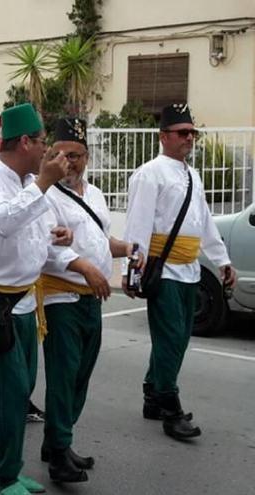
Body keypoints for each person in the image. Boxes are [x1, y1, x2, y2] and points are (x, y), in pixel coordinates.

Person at [0, 103, 79, 494]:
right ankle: (5, 475)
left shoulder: (29, 181)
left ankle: (5, 457)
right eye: (43, 141)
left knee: (22, 388)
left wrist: (61, 239)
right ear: (25, 141)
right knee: (8, 395)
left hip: (28, 303)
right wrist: (43, 184)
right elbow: (3, 222)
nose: (48, 150)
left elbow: (41, 237)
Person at [122, 103, 235, 440]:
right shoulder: (149, 173)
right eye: (182, 133)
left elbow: (203, 224)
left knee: (179, 338)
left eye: (192, 133)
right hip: (162, 269)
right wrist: (133, 269)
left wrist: (222, 260)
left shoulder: (192, 175)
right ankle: (170, 409)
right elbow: (138, 225)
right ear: (163, 137)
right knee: (171, 338)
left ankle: (152, 394)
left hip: (189, 268)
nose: (189, 138)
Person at [39, 117, 135, 482]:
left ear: (87, 157)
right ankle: (59, 453)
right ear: (51, 156)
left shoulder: (94, 194)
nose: (71, 163)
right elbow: (45, 246)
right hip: (61, 296)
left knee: (82, 373)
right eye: (63, 155)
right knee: (63, 375)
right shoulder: (46, 195)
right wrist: (85, 268)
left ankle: (57, 440)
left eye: (77, 155)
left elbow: (101, 239)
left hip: (93, 297)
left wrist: (126, 248)